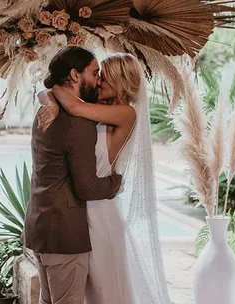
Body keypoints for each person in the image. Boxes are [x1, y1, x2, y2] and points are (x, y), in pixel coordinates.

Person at [38, 53, 172, 304]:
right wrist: (50, 100)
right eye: (97, 76)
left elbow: (73, 105)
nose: (98, 82)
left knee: (104, 293)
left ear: (120, 82)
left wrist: (53, 93)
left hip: (100, 213)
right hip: (78, 212)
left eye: (104, 78)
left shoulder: (126, 114)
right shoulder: (96, 110)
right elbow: (47, 94)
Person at [23, 46, 123, 304]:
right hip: (64, 235)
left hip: (39, 228)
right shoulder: (78, 123)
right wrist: (117, 181)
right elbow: (87, 189)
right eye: (94, 72)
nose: (98, 79)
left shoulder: (44, 112)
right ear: (75, 76)